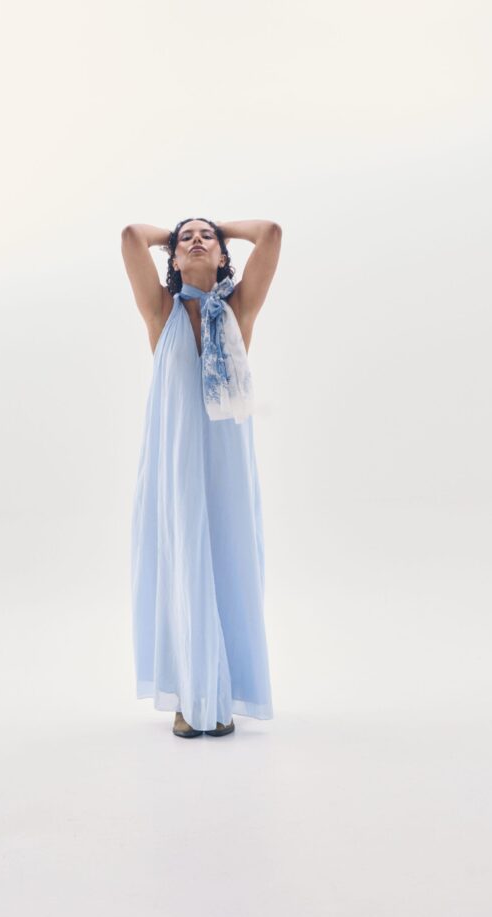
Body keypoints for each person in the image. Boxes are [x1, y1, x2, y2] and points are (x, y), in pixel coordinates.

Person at [121, 218, 282, 739]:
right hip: (175, 466)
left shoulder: (238, 312)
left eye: (206, 237)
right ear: (171, 257)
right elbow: (130, 236)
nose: (195, 240)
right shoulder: (161, 313)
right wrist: (180, 235)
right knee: (181, 562)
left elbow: (272, 233)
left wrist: (219, 228)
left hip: (226, 468)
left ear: (223, 256)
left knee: (227, 562)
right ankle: (190, 696)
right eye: (184, 237)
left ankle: (221, 692)